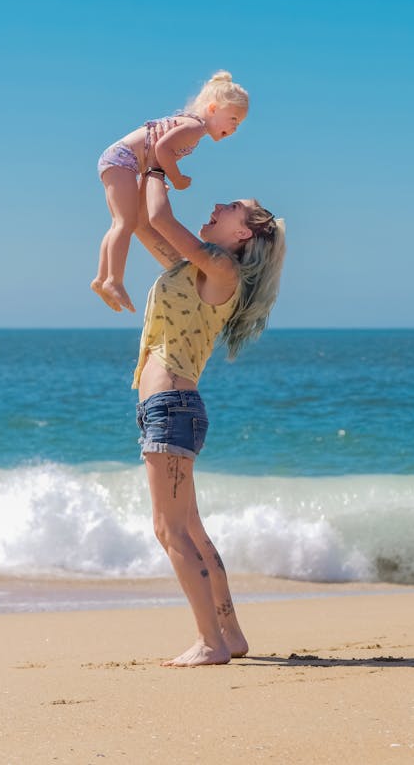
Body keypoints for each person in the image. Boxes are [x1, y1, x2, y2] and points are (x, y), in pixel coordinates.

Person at [132, 164, 285, 666]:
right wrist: (128, 167)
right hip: (172, 409)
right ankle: (231, 635)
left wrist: (157, 164)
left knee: (170, 530)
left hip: (171, 408)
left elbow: (159, 213)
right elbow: (142, 222)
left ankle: (210, 642)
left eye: (229, 208)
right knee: (190, 529)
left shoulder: (223, 271)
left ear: (241, 233)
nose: (216, 208)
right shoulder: (192, 269)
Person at [92, 70, 249, 313]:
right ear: (213, 109)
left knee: (119, 224)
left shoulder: (192, 126)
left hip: (122, 160)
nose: (235, 128)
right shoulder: (196, 127)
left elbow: (158, 152)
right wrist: (175, 179)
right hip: (125, 161)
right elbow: (162, 148)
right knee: (124, 223)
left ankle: (102, 278)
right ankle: (114, 280)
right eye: (234, 119)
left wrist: (153, 178)